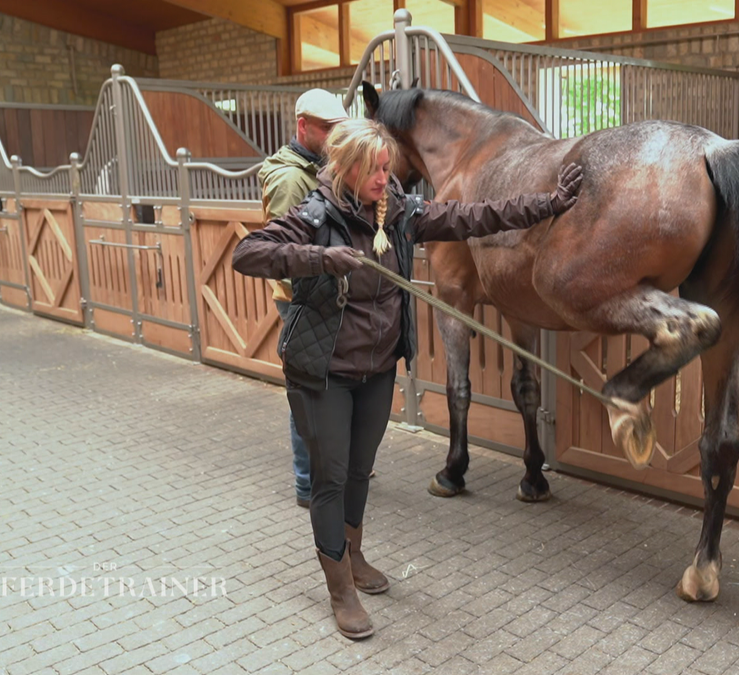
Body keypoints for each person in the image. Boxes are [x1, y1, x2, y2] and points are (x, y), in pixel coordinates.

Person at [232, 118, 582, 640]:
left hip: (376, 368)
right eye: (374, 169)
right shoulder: (314, 212)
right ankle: (339, 590)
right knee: (330, 478)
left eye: (386, 166)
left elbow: (473, 216)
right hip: (322, 371)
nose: (385, 175)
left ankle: (355, 555)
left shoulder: (395, 211)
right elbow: (249, 253)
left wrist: (549, 203)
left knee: (359, 471)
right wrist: (320, 259)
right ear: (347, 169)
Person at [258, 88, 348, 509]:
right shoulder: (292, 178)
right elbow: (287, 252)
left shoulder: (321, 167)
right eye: (327, 128)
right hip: (304, 300)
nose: (334, 136)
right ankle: (307, 484)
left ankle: (331, 471)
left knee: (328, 390)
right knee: (307, 392)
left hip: (325, 295)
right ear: (303, 127)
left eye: (338, 128)